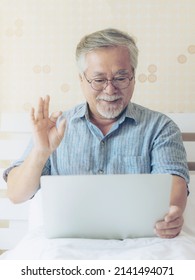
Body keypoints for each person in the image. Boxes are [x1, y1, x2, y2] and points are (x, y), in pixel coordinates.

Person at [3, 28, 189, 239]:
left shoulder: (160, 128)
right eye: (99, 80)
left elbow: (173, 186)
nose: (110, 90)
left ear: (134, 77)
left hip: (142, 243)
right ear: (82, 80)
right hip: (68, 244)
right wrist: (41, 151)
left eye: (121, 78)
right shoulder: (56, 127)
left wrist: (171, 214)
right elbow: (16, 194)